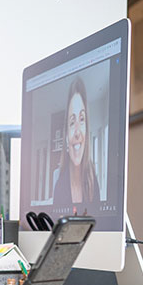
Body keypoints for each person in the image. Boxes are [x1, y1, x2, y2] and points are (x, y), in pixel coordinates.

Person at [51, 76, 100, 208]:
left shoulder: (93, 184)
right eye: (72, 122)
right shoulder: (59, 187)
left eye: (82, 119)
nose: (78, 132)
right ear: (66, 135)